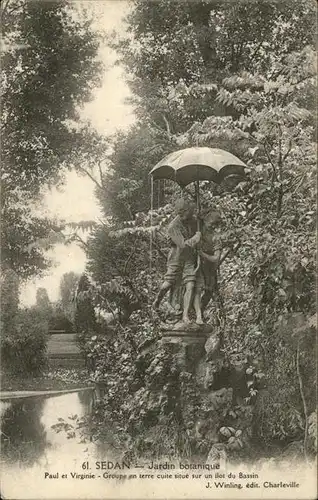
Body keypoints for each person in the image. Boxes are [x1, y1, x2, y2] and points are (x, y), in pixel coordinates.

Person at [153, 198, 201, 314]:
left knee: (189, 284)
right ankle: (157, 301)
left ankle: (184, 311)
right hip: (176, 257)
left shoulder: (194, 220)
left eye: (185, 211)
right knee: (168, 283)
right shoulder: (173, 226)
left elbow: (202, 227)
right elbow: (182, 245)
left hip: (190, 258)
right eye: (180, 212)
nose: (182, 214)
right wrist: (196, 237)